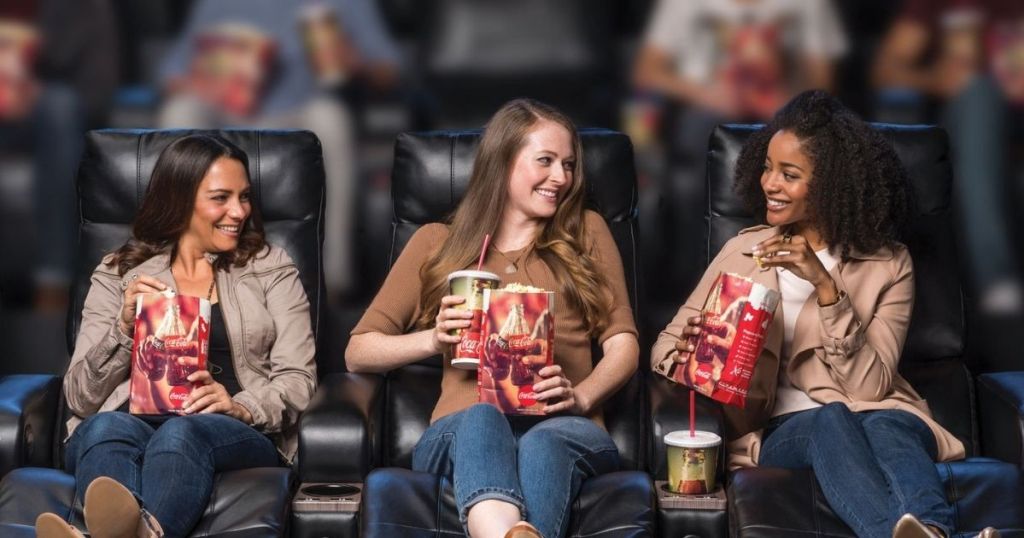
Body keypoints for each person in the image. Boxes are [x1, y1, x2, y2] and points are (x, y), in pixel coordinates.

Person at [652, 90, 998, 538]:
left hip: (879, 410)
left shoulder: (889, 263)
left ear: (833, 185)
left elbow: (871, 386)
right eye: (767, 167)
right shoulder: (742, 252)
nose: (769, 184)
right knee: (830, 417)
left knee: (890, 423)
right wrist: (688, 349)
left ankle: (930, 530)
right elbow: (662, 346)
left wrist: (827, 288)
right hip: (786, 426)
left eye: (789, 174)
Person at [346, 99, 639, 538]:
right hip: (461, 430)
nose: (561, 177)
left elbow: (624, 342)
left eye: (569, 165)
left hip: (563, 426)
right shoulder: (435, 244)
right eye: (545, 161)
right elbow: (358, 351)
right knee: (483, 417)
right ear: (503, 162)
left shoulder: (587, 232)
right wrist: (433, 339)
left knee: (544, 440)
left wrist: (580, 397)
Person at [34, 134, 317, 538]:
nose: (239, 211)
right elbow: (80, 396)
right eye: (221, 198)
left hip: (230, 429)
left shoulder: (270, 267)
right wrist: (124, 330)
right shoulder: (119, 273)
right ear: (180, 200)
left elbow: (299, 380)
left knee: (181, 430)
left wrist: (241, 406)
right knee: (101, 428)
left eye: (245, 196)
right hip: (128, 420)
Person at [156, 0, 401, 298]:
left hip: (302, 113)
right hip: (225, 112)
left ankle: (332, 279)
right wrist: (213, 76)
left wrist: (352, 62)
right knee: (180, 112)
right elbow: (171, 76)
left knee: (331, 117)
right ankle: (177, 268)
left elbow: (389, 71)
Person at [873, 0, 1023, 314]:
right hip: (977, 123)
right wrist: (935, 79)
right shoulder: (940, 5)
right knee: (978, 94)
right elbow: (886, 67)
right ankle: (996, 279)